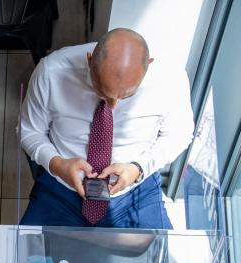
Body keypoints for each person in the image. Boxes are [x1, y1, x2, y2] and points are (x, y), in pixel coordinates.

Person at [19, 28, 194, 229]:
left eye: (126, 96)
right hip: (62, 186)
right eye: (101, 92)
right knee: (28, 254)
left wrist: (137, 169)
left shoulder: (170, 80)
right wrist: (58, 164)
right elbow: (29, 131)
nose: (113, 105)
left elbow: (179, 134)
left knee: (159, 256)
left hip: (134, 188)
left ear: (149, 66)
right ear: (89, 59)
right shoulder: (52, 72)